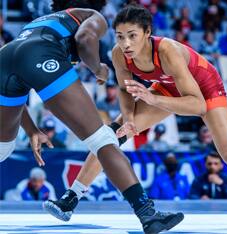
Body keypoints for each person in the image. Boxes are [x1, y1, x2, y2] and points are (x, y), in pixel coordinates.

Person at [48, 4, 227, 227]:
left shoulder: (167, 51)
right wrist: (128, 119)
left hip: (204, 88)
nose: (125, 44)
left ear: (147, 33)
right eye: (119, 36)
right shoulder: (119, 54)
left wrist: (153, 98)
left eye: (132, 36)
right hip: (166, 87)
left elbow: (198, 107)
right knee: (109, 137)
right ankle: (71, 198)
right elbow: (126, 92)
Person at [0, 1, 183, 233]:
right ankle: (148, 214)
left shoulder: (39, 21)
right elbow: (85, 39)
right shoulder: (90, 14)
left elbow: (20, 80)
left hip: (5, 57)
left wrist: (31, 129)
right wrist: (98, 69)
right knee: (102, 141)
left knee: (2, 149)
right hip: (39, 54)